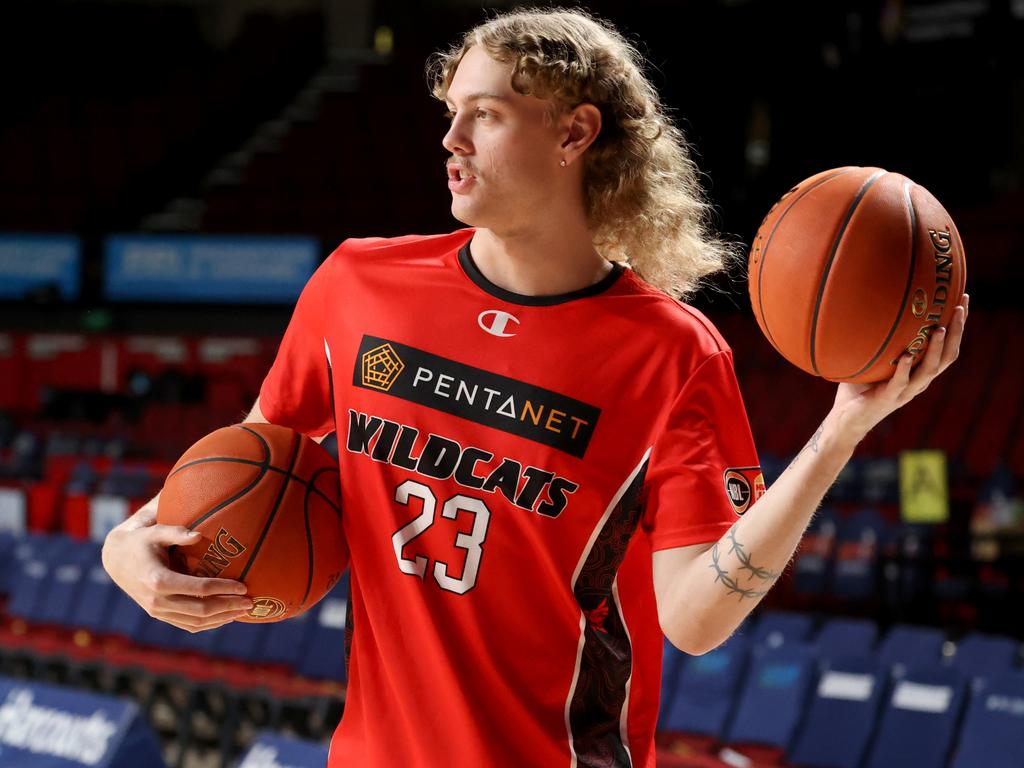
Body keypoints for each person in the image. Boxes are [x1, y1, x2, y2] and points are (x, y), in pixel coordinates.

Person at [102, 8, 968, 767]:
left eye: (486, 115)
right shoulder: (354, 285)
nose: (452, 140)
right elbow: (251, 459)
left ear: (573, 133)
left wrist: (839, 433)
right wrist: (127, 548)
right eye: (452, 114)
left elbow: (695, 621)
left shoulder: (672, 355)